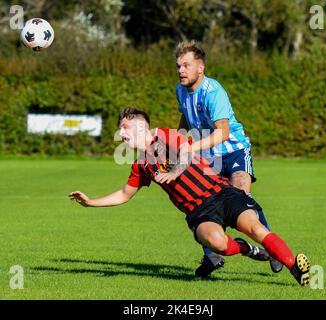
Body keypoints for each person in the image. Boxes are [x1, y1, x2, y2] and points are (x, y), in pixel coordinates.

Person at [69, 107, 311, 287]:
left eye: (124, 127)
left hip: (221, 193)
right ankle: (247, 249)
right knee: (218, 243)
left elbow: (185, 152)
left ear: (141, 127)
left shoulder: (165, 135)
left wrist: (174, 172)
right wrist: (90, 202)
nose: (120, 133)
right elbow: (124, 194)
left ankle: (295, 268)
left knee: (257, 229)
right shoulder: (140, 164)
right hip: (199, 212)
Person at [174, 40, 283, 277]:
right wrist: (179, 143)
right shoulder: (180, 90)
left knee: (242, 195)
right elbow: (185, 119)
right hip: (207, 153)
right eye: (178, 66)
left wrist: (191, 147)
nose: (181, 70)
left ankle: (272, 248)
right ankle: (211, 257)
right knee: (202, 201)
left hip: (233, 149)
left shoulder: (214, 92)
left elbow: (222, 133)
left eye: (186, 65)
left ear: (200, 68)